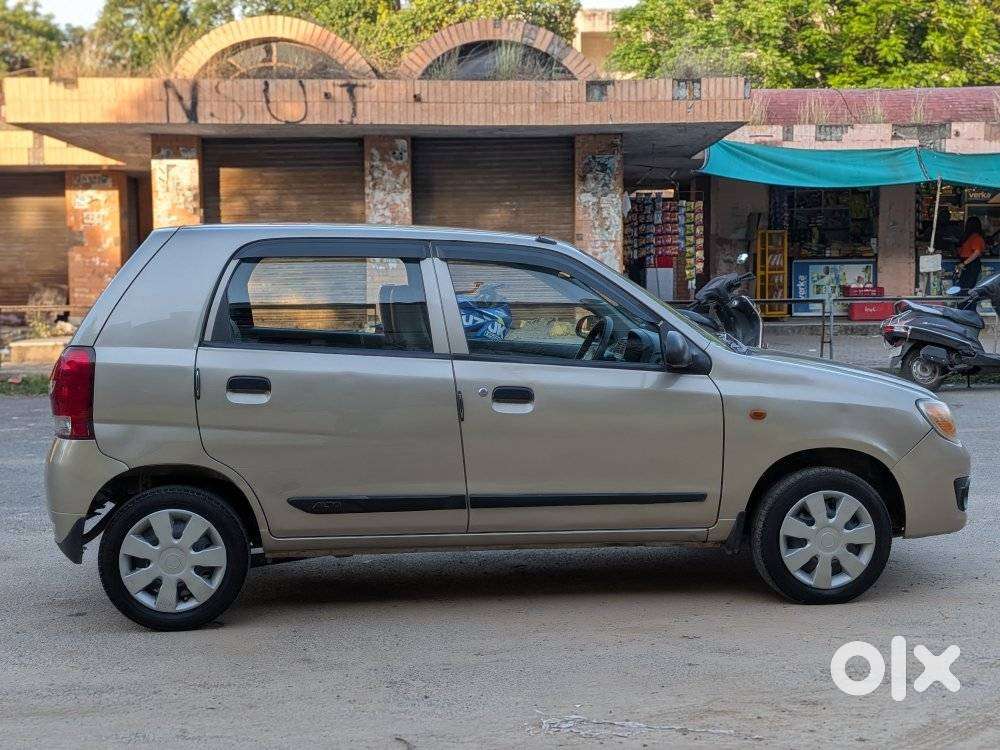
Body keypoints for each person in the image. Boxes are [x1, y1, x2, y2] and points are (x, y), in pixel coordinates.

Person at [956, 216, 985, 290]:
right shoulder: (970, 237)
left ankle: (967, 300)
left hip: (971, 264)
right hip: (967, 263)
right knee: (964, 285)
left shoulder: (976, 238)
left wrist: (964, 263)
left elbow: (976, 253)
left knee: (968, 286)